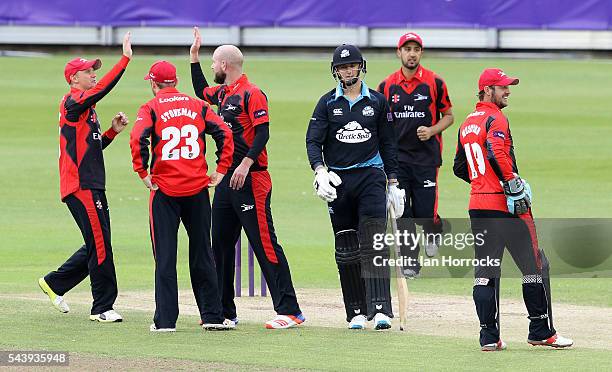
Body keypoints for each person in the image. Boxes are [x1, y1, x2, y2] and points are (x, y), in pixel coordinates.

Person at [189, 27, 304, 329]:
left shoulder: (252, 93)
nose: (212, 67)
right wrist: (193, 58)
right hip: (227, 182)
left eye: (214, 63)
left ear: (225, 65)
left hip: (252, 179)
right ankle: (226, 312)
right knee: (221, 247)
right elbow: (202, 91)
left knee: (264, 243)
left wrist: (244, 164)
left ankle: (290, 311)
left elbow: (263, 132)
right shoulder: (224, 93)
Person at [453, 68, 573, 350]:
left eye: (508, 87)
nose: (507, 91)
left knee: (485, 272)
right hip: (505, 207)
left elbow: (460, 167)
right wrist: (511, 183)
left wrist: (483, 183)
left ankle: (489, 337)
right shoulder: (496, 118)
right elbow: (496, 152)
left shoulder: (467, 123)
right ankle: (541, 331)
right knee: (534, 266)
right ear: (486, 90)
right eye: (502, 87)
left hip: (478, 206)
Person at [130, 61, 235, 332]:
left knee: (165, 256)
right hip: (198, 190)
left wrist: (142, 171)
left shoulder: (150, 108)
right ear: (175, 82)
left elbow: (138, 136)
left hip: (164, 191)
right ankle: (212, 316)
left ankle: (165, 321)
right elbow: (224, 132)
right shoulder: (198, 105)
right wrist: (221, 169)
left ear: (154, 84)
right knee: (203, 253)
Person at [306, 44, 405, 330]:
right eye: (343, 67)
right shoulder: (327, 103)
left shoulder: (376, 101)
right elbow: (313, 141)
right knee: (347, 248)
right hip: (338, 181)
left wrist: (394, 182)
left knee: (374, 242)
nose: (348, 71)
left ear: (360, 67)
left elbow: (388, 143)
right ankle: (357, 311)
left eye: (352, 66)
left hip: (371, 177)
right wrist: (320, 170)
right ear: (335, 70)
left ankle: (381, 309)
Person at [38, 32, 132, 323]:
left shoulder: (87, 110)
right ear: (73, 79)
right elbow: (101, 89)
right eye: (88, 71)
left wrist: (112, 132)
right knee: (100, 244)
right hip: (80, 185)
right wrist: (125, 60)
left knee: (98, 242)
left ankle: (55, 283)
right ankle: (102, 307)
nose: (93, 75)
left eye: (94, 71)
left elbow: (93, 148)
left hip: (91, 183)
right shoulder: (72, 103)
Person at [377, 32, 454, 275]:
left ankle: (436, 229)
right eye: (407, 49)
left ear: (421, 53)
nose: (412, 53)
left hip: (426, 158)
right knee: (402, 213)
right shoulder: (386, 86)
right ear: (398, 52)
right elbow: (378, 122)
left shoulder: (435, 82)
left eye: (416, 49)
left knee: (424, 214)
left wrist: (432, 130)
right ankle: (411, 262)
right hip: (397, 160)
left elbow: (449, 116)